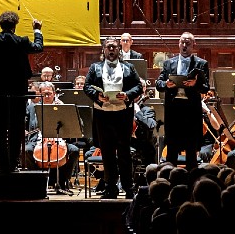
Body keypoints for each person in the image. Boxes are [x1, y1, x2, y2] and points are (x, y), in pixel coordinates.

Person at [0, 10, 44, 173]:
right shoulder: (22, 41)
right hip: (17, 94)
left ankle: (2, 165)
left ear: (0, 24)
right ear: (15, 26)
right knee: (16, 129)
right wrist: (37, 29)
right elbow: (38, 47)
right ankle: (13, 165)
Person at [84, 37, 143, 199]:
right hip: (103, 115)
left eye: (114, 47)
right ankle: (111, 188)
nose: (111, 50)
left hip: (123, 114)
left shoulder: (129, 67)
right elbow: (86, 86)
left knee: (124, 152)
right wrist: (97, 95)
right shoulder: (95, 67)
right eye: (108, 47)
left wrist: (128, 95)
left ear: (118, 50)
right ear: (103, 50)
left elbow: (138, 86)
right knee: (107, 153)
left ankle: (128, 188)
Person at [155, 32, 210, 166]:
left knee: (191, 151)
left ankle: (192, 182)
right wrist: (166, 85)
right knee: (172, 150)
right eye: (182, 43)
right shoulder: (169, 63)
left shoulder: (201, 64)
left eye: (188, 43)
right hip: (174, 112)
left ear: (193, 45)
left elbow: (206, 87)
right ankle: (170, 182)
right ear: (179, 44)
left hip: (191, 112)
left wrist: (195, 84)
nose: (184, 46)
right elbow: (158, 84)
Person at [25, 81, 78, 192]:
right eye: (44, 94)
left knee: (74, 150)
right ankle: (37, 182)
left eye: (49, 93)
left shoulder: (63, 107)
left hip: (58, 140)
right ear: (39, 94)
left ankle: (63, 183)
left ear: (54, 93)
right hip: (38, 140)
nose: (47, 96)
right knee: (26, 150)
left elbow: (77, 123)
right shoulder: (32, 108)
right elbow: (24, 123)